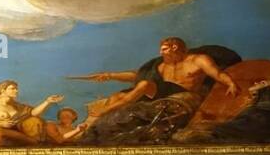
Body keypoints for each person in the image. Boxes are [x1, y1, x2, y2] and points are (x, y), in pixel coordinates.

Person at [75, 37, 241, 127]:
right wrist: (110, 75)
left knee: (145, 85)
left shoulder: (198, 60)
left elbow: (216, 73)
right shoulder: (161, 65)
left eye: (164, 50)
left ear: (175, 47)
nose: (161, 53)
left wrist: (230, 83)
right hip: (162, 92)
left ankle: (104, 111)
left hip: (182, 93)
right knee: (118, 95)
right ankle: (94, 124)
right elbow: (137, 75)